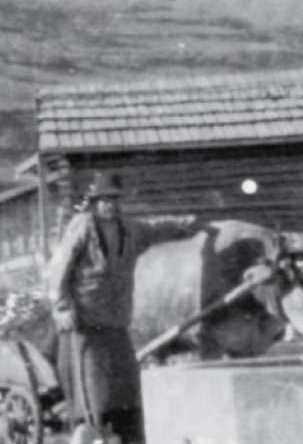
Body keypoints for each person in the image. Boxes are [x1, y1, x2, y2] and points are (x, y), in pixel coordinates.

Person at [47, 172, 199, 444]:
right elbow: (59, 268)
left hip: (116, 317)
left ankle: (126, 432)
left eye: (115, 200)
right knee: (91, 383)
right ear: (95, 203)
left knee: (125, 380)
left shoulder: (129, 228)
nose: (111, 206)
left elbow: (156, 229)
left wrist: (188, 224)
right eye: (105, 201)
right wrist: (61, 307)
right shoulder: (82, 227)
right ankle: (90, 431)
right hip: (84, 319)